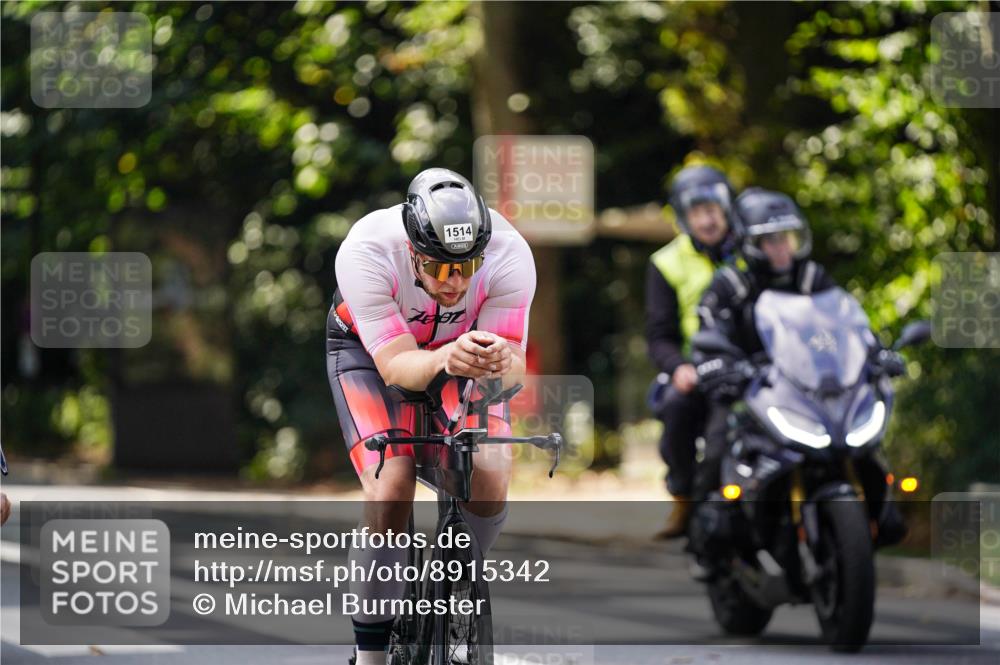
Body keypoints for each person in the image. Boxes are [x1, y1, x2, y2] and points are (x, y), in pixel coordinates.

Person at [326, 168, 535, 665]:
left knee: (489, 470)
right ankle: (371, 654)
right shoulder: (367, 251)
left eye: (467, 266)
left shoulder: (510, 254)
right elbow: (397, 368)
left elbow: (512, 365)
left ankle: (458, 578)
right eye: (440, 268)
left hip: (460, 354)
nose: (455, 282)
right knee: (392, 482)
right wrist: (445, 358)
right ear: (413, 250)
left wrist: (502, 361)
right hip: (371, 354)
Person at [693, 187, 839, 500]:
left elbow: (844, 320)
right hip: (746, 387)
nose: (782, 248)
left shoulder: (811, 278)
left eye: (786, 237)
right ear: (751, 243)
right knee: (717, 445)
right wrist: (719, 363)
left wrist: (872, 349)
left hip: (807, 388)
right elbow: (709, 330)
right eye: (771, 240)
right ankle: (708, 518)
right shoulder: (730, 283)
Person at [645, 165, 741, 538]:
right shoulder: (666, 263)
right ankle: (685, 497)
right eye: (697, 212)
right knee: (675, 406)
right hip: (698, 370)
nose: (707, 219)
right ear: (684, 217)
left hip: (750, 366)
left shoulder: (753, 250)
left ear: (727, 209)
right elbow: (658, 334)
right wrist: (679, 367)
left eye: (713, 209)